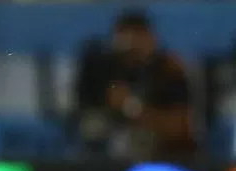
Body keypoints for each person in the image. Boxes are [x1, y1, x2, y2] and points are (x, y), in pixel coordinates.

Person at [76, 11, 196, 161]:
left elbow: (181, 128)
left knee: (134, 142)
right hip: (110, 140)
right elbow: (83, 115)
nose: (132, 48)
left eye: (138, 40)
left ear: (151, 40)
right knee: (93, 128)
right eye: (125, 41)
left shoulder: (168, 69)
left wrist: (131, 107)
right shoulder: (102, 67)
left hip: (156, 148)